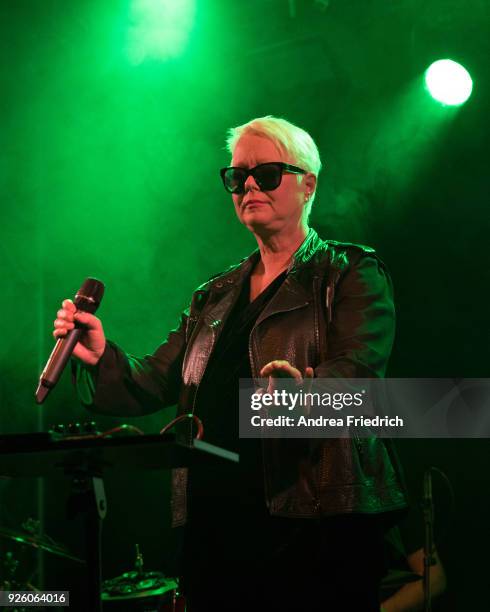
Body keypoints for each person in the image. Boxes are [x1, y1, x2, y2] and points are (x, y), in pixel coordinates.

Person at [54, 116, 407, 611]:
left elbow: (360, 379)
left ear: (308, 186)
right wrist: (99, 358)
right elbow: (152, 381)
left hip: (312, 522)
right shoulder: (214, 295)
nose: (247, 186)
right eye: (237, 176)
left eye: (265, 174)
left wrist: (301, 396)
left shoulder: (348, 272)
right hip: (215, 519)